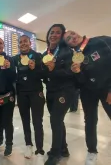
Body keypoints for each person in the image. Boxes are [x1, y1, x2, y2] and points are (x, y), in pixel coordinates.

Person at [63, 31, 111, 165]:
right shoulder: (74, 56)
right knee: (90, 121)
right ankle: (91, 152)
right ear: (69, 45)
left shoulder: (101, 41)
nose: (72, 38)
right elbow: (80, 82)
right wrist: (77, 72)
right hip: (87, 92)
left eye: (72, 34)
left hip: (106, 89)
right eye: (68, 39)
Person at [42, 24, 75, 165]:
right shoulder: (45, 54)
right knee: (58, 120)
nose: (53, 35)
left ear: (62, 36)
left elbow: (71, 73)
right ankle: (64, 148)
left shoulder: (67, 52)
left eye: (57, 33)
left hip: (65, 91)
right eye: (51, 32)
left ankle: (55, 153)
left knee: (55, 120)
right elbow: (44, 75)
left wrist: (54, 70)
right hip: (51, 91)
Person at [13, 35, 45, 162]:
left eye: (25, 41)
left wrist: (34, 68)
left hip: (36, 93)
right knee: (25, 121)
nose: (23, 44)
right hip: (22, 94)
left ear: (29, 42)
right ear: (19, 45)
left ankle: (40, 149)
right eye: (20, 42)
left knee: (37, 122)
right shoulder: (15, 59)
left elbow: (43, 75)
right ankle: (28, 145)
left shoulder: (37, 56)